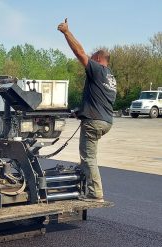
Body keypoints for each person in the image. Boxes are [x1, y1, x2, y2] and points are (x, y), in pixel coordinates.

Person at [58, 18, 117, 203]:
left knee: (88, 157)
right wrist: (80, 111)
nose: (88, 63)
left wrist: (66, 32)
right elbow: (97, 100)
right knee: (88, 156)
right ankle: (85, 182)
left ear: (98, 59)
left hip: (94, 122)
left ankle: (94, 193)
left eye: (92, 59)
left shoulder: (98, 69)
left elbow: (79, 52)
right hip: (105, 121)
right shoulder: (110, 78)